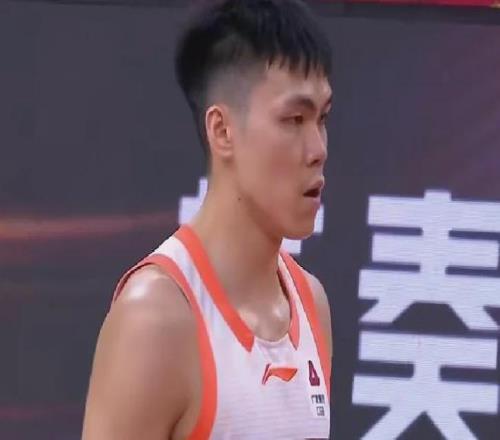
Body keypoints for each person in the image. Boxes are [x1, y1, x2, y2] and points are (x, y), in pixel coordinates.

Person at [82, 0, 333, 438]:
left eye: (322, 118)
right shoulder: (156, 318)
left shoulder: (312, 305)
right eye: (294, 119)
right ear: (222, 131)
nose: (318, 149)